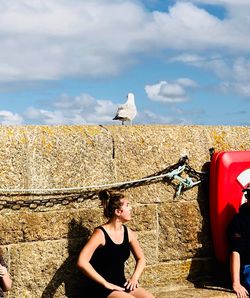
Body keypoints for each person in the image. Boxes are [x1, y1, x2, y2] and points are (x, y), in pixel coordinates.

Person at [77, 190, 155, 298]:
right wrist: (105, 283)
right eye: (127, 205)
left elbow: (141, 258)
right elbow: (82, 262)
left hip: (120, 283)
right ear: (118, 212)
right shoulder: (100, 234)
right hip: (101, 288)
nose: (131, 208)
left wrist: (134, 278)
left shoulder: (127, 232)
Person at [228, 186, 250, 298]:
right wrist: (236, 283)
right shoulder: (239, 221)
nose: (248, 199)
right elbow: (235, 251)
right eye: (248, 196)